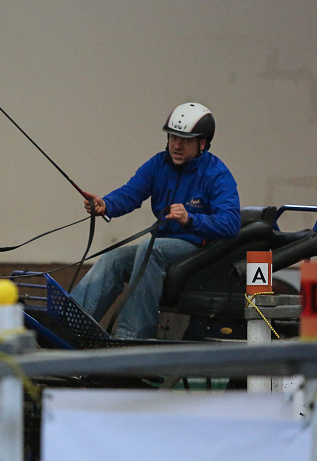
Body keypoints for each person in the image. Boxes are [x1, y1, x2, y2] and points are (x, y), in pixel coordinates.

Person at [71, 102, 240, 339]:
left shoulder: (217, 174)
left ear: (202, 144)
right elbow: (131, 192)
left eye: (186, 140)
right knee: (113, 259)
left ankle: (132, 336)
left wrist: (191, 219)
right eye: (173, 137)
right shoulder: (158, 164)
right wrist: (106, 204)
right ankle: (71, 324)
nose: (177, 145)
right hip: (160, 246)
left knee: (151, 249)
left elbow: (231, 222)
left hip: (200, 251)